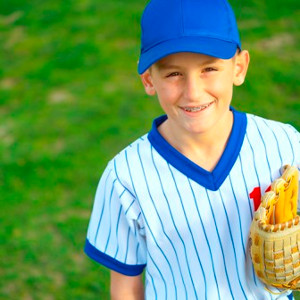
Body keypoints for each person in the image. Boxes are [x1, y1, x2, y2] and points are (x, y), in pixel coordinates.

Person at [84, 0, 299, 299]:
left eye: (209, 68)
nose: (193, 92)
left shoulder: (283, 144)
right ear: (149, 80)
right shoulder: (126, 177)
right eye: (173, 74)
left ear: (239, 68)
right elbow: (125, 286)